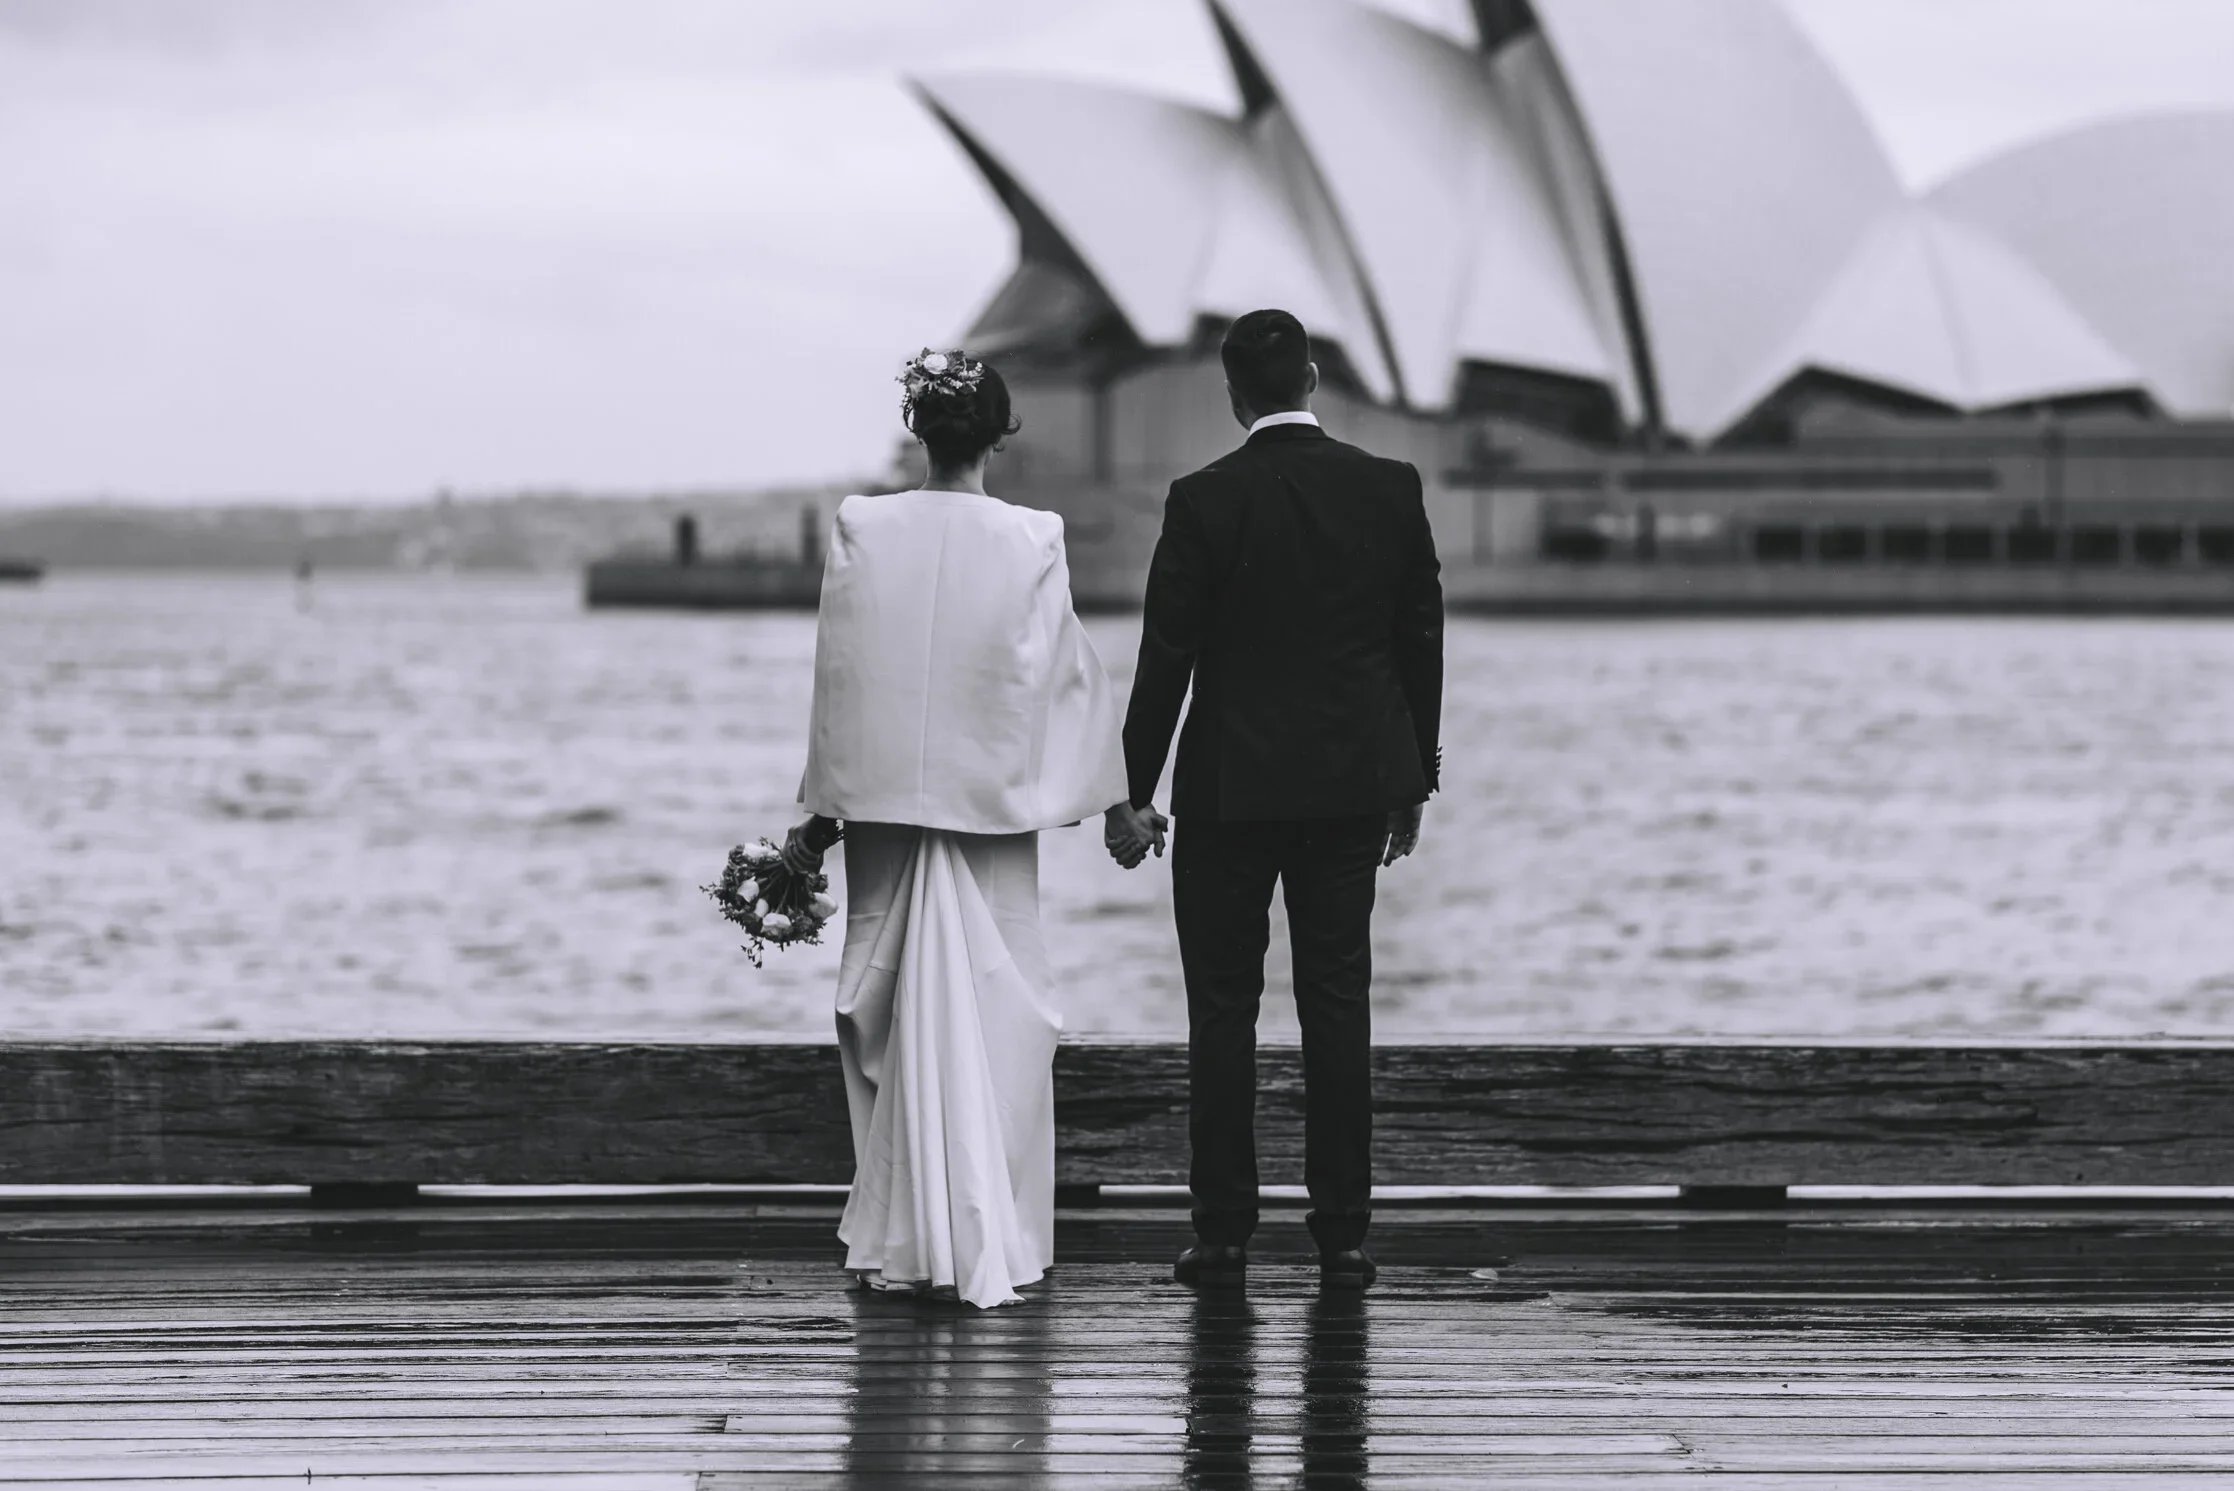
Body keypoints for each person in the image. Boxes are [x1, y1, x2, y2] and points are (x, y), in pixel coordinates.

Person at [783, 348, 1137, 1309]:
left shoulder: (861, 524)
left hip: (885, 812)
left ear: (920, 432)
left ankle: (895, 1228)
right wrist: (1114, 798)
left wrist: (818, 819)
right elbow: (1063, 677)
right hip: (991, 813)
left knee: (884, 1002)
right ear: (999, 436)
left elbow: (842, 678)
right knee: (998, 1005)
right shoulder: (1033, 536)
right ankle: (999, 1232)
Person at [1107, 308, 1445, 1291]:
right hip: (1350, 789)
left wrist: (1130, 792)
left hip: (1228, 792)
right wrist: (1413, 778)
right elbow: (1419, 639)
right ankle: (1342, 1235)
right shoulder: (1389, 487)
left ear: (1232, 396)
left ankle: (1221, 1234)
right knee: (1338, 1005)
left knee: (1222, 1012)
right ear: (1311, 380)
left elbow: (1164, 658)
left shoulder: (1202, 499)